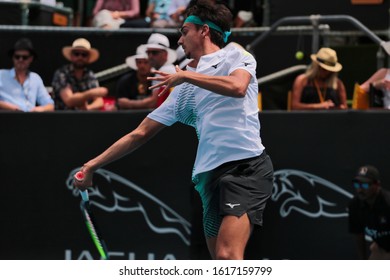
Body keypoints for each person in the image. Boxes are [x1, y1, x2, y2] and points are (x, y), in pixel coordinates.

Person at [74, 0, 274, 260]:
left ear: (203, 30)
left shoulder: (235, 55)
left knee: (227, 257)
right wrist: (92, 165)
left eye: (184, 31)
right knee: (218, 264)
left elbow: (237, 87)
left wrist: (186, 76)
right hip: (208, 178)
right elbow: (139, 134)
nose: (179, 40)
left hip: (245, 168)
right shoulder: (182, 90)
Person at [117, 33, 177, 109]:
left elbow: (153, 103)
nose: (150, 56)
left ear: (165, 54)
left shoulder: (165, 70)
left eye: (154, 52)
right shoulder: (165, 69)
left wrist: (129, 103)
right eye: (148, 52)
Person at [52, 38, 108, 111]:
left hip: (85, 118)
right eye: (76, 54)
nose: (80, 57)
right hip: (63, 117)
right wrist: (91, 93)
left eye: (84, 55)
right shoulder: (62, 73)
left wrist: (87, 108)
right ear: (71, 56)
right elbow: (69, 101)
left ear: (88, 58)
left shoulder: (90, 74)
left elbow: (99, 102)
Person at [0, 38, 54, 112]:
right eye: (17, 57)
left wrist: (38, 109)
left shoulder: (35, 78)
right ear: (13, 57)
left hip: (30, 120)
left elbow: (50, 105)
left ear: (31, 59)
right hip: (6, 119)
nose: (20, 60)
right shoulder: (1, 75)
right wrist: (9, 107)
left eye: (24, 57)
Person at [348, 165, 390, 260]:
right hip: (381, 247)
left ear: (377, 185)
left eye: (365, 185)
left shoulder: (388, 203)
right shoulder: (354, 205)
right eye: (357, 185)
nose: (360, 190)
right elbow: (359, 235)